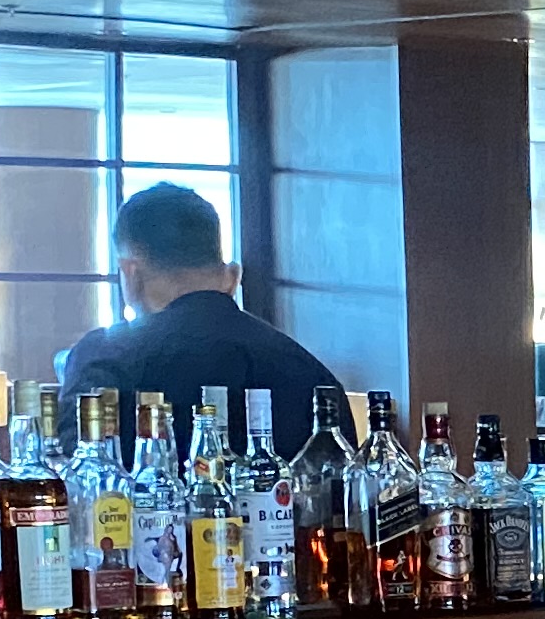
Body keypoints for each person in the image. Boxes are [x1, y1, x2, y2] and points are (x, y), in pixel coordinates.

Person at [55, 183, 343, 446]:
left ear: (131, 275)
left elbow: (74, 474)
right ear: (233, 277)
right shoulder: (310, 373)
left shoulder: (104, 359)